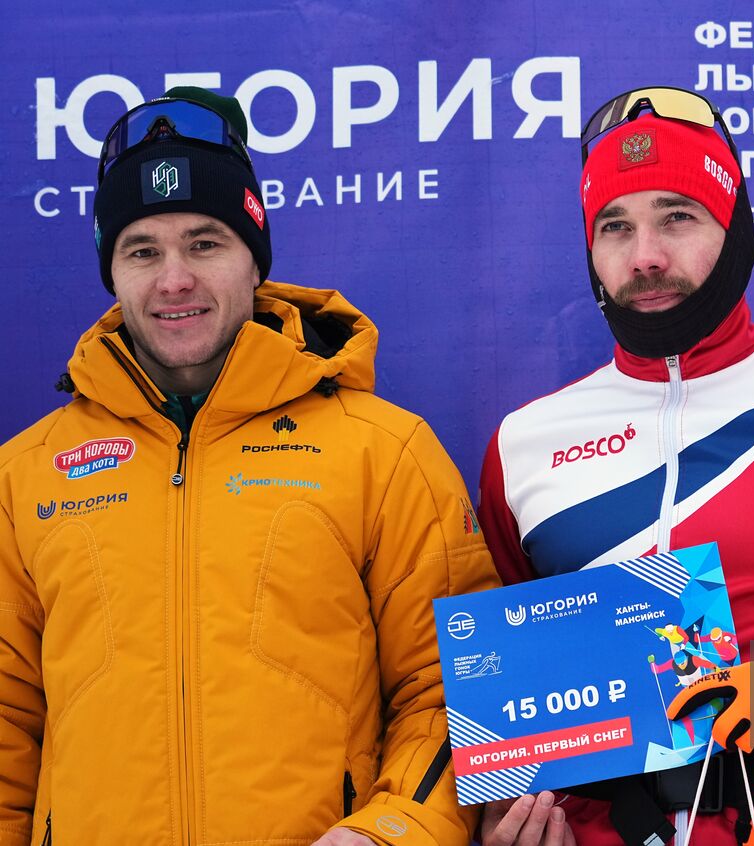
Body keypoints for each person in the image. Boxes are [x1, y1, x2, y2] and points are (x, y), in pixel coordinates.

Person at [0, 87, 508, 845]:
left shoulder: (381, 449)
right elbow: (8, 721)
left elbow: (458, 688)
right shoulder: (25, 473)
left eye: (205, 242)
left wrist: (390, 831)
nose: (175, 279)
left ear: (254, 260)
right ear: (112, 270)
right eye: (143, 250)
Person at [477, 87, 754, 845]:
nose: (645, 256)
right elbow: (498, 688)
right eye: (615, 226)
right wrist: (507, 816)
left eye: (677, 218)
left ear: (735, 227)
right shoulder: (523, 443)